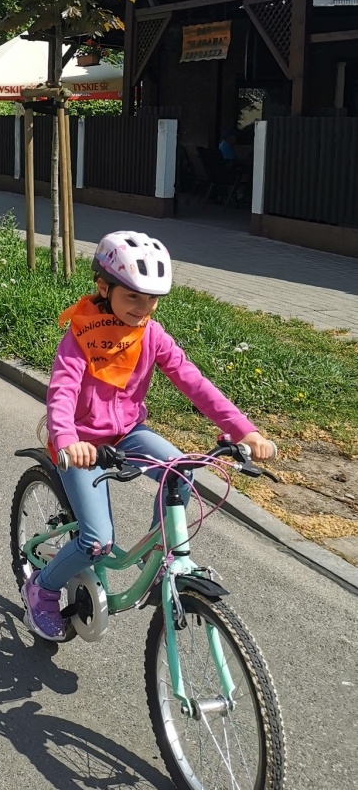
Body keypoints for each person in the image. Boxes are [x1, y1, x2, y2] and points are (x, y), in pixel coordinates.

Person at [22, 230, 275, 643]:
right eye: (133, 297)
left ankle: (161, 561)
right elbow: (62, 393)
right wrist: (68, 440)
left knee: (183, 472)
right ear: (104, 288)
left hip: (128, 434)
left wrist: (242, 429)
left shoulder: (151, 335)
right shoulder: (80, 336)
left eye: (152, 299)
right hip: (83, 444)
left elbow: (194, 382)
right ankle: (43, 587)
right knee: (98, 542)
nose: (144, 309)